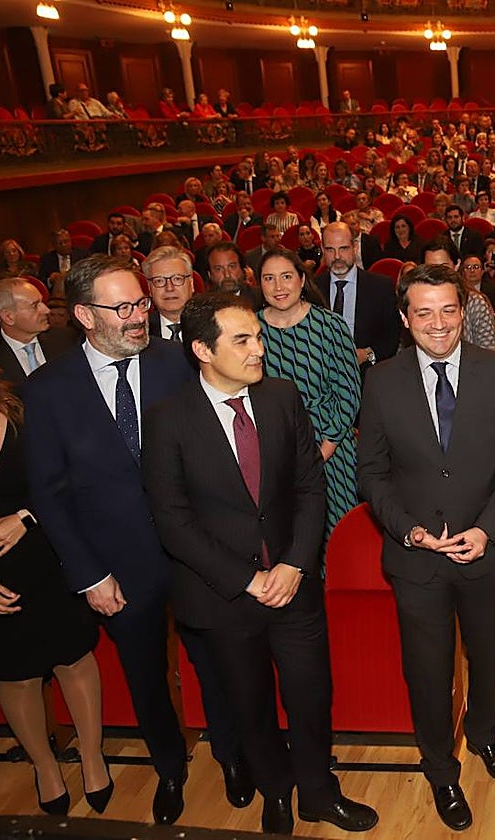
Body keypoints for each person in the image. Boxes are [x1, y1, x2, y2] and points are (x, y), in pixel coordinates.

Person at [22, 256, 249, 824]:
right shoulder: (49, 389)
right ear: (82, 314)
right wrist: (89, 574)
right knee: (146, 676)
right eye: (121, 307)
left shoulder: (179, 365)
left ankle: (232, 755)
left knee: (218, 662)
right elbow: (49, 494)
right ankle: (169, 768)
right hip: (116, 567)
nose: (137, 316)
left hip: (199, 557)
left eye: (141, 303)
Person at [141, 292, 377, 835]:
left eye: (259, 336)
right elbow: (174, 522)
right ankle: (276, 789)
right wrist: (248, 579)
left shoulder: (281, 397)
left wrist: (295, 565)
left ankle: (318, 793)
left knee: (311, 695)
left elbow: (309, 488)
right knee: (249, 704)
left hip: (294, 586)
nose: (259, 349)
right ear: (202, 349)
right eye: (242, 340)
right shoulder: (168, 421)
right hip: (223, 596)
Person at [356, 264, 495, 830]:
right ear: (405, 318)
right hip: (416, 559)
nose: (438, 323)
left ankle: (484, 736)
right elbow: (372, 473)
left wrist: (486, 528)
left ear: (463, 312)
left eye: (448, 310)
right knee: (427, 670)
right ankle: (440, 768)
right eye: (424, 312)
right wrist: (407, 529)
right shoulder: (382, 381)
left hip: (485, 549)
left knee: (488, 658)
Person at [0, 315, 105, 815]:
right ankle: (45, 766)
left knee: (73, 658)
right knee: (17, 676)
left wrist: (26, 518)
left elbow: (68, 474)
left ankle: (93, 758)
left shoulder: (22, 405)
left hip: (47, 555)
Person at [256, 249, 361, 534]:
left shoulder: (331, 326)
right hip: (274, 454)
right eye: (269, 278)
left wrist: (320, 454)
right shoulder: (249, 330)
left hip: (332, 449)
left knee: (339, 537)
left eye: (286, 276)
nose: (278, 287)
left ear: (302, 280)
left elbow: (349, 396)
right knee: (286, 538)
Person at [318, 222, 400, 368]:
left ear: (355, 248)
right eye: (330, 249)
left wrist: (368, 354)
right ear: (323, 250)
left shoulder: (381, 287)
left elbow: (391, 338)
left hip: (368, 376)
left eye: (343, 248)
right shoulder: (313, 288)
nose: (337, 256)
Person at [0, 278, 76, 392]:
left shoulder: (67, 339)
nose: (46, 310)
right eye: (35, 305)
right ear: (8, 317)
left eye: (42, 302)